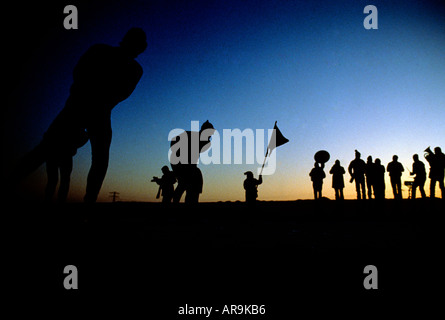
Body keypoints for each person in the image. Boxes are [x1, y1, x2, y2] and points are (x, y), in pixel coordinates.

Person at [14, 28, 147, 203]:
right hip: (79, 107)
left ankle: (89, 202)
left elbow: (121, 94)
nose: (137, 49)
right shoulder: (101, 51)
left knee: (98, 159)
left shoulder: (134, 69)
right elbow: (80, 74)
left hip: (95, 111)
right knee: (45, 150)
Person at [170, 120, 215, 203]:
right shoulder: (190, 136)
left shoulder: (202, 140)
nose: (211, 136)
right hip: (182, 166)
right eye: (210, 133)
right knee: (183, 185)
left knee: (190, 186)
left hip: (189, 168)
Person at [44, 128, 89, 203]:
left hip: (62, 153)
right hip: (58, 152)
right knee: (56, 180)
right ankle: (49, 200)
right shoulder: (78, 129)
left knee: (61, 180)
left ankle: (55, 201)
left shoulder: (81, 132)